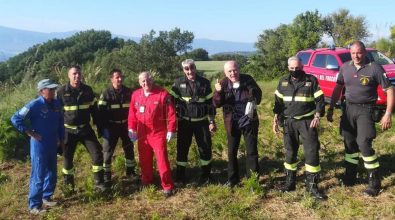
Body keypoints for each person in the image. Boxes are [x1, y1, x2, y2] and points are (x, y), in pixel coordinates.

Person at [327, 41, 394, 197]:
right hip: (348, 109)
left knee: (363, 143)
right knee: (349, 144)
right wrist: (331, 108)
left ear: (364, 52)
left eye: (359, 53)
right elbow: (338, 88)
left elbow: (389, 90)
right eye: (353, 53)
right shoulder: (345, 67)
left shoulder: (375, 68)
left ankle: (374, 182)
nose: (356, 56)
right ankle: (350, 175)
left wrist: (388, 113)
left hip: (366, 110)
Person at [273, 56, 327, 200]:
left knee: (311, 151)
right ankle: (290, 183)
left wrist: (317, 116)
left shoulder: (311, 80)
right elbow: (277, 102)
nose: (294, 71)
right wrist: (275, 118)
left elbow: (320, 100)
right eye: (292, 68)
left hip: (307, 122)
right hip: (288, 122)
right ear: (288, 68)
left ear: (302, 67)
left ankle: (312, 187)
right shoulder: (283, 81)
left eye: (297, 68)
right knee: (290, 152)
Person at [11, 79, 64, 214]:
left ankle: (47, 197)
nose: (53, 91)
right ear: (41, 91)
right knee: (38, 174)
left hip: (53, 143)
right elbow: (15, 118)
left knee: (52, 172)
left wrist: (62, 138)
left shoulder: (57, 103)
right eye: (50, 89)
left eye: (54, 89)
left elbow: (60, 121)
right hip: (39, 145)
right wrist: (29, 132)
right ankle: (34, 205)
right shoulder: (34, 105)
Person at [56, 66, 106, 191]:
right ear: (69, 75)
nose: (77, 76)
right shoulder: (61, 91)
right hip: (68, 131)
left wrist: (100, 128)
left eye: (78, 74)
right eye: (74, 74)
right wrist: (57, 135)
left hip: (85, 129)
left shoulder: (88, 90)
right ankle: (69, 187)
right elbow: (56, 114)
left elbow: (95, 111)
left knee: (97, 154)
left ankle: (99, 183)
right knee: (67, 158)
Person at [213, 60, 261, 187]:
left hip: (248, 121)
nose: (233, 73)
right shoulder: (222, 83)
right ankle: (232, 179)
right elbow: (216, 104)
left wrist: (252, 93)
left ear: (238, 69)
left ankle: (253, 181)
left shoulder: (248, 79)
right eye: (229, 71)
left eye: (235, 70)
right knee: (232, 151)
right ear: (225, 73)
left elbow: (259, 97)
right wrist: (218, 92)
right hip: (232, 122)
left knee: (251, 151)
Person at [128, 71, 176, 197]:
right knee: (144, 159)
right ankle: (146, 181)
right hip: (142, 133)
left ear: (152, 80)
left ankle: (167, 185)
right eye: (143, 81)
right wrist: (131, 128)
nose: (146, 83)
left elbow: (170, 113)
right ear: (139, 82)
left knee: (162, 159)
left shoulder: (162, 94)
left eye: (148, 80)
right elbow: (132, 113)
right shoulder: (135, 95)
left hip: (158, 133)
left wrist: (171, 129)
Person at [169, 59, 216, 185]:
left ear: (195, 67)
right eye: (187, 69)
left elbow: (210, 104)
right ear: (183, 70)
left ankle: (206, 176)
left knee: (205, 148)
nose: (190, 71)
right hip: (185, 123)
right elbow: (169, 102)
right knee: (182, 149)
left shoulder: (205, 83)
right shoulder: (178, 83)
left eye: (192, 68)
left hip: (202, 123)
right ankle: (180, 177)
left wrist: (211, 121)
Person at [97, 69, 137, 187]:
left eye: (121, 77)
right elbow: (100, 113)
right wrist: (103, 129)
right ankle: (107, 176)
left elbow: (134, 109)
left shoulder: (128, 92)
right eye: (117, 77)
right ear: (111, 79)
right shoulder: (106, 93)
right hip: (111, 126)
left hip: (126, 126)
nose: (120, 79)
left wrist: (134, 126)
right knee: (107, 152)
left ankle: (130, 172)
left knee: (129, 150)